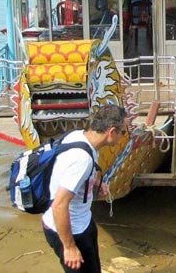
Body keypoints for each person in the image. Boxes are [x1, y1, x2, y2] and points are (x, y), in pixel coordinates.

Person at [42, 104, 128, 273]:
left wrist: (95, 183)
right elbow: (59, 206)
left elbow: (66, 173)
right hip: (69, 231)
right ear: (111, 132)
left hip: (84, 223)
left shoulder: (81, 138)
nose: (123, 136)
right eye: (123, 132)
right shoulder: (82, 159)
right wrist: (69, 247)